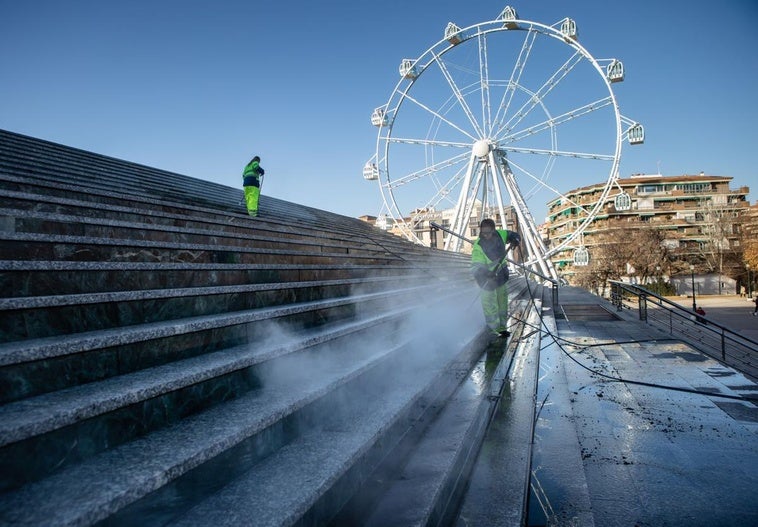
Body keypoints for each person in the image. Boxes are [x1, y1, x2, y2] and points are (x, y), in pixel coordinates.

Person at [470, 218, 521, 338]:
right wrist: (486, 273)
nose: (486, 235)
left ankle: (502, 328)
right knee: (490, 306)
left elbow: (512, 234)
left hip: (501, 276)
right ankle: (492, 331)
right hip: (486, 280)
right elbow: (476, 266)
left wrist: (516, 239)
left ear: (493, 230)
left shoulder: (501, 234)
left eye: (488, 232)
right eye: (483, 232)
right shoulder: (479, 246)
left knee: (502, 304)